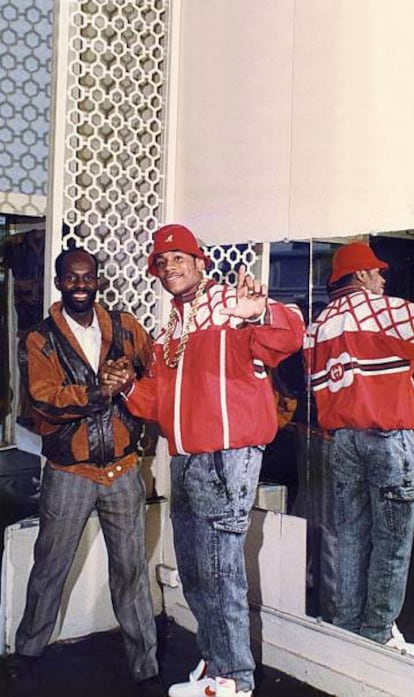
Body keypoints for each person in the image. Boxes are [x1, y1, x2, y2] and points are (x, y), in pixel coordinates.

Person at [101, 224, 305, 697]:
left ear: (200, 262)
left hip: (225, 454)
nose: (169, 267)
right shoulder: (171, 325)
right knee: (195, 570)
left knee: (220, 570)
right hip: (187, 456)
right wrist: (127, 386)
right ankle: (217, 663)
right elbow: (159, 403)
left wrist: (261, 311)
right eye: (162, 262)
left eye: (179, 258)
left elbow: (289, 335)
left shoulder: (230, 306)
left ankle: (234, 678)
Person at [2, 246, 165, 696]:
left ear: (98, 280)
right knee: (50, 566)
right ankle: (28, 651)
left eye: (87, 277)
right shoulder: (40, 338)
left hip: (123, 470)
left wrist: (130, 374)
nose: (80, 285)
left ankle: (145, 666)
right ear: (59, 282)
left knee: (131, 570)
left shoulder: (126, 327)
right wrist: (100, 390)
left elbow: (155, 372)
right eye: (71, 278)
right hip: (68, 471)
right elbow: (44, 397)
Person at [305, 241, 414, 652]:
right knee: (392, 541)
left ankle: (346, 627)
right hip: (388, 438)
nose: (384, 279)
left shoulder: (317, 328)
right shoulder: (391, 311)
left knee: (350, 536)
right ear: (362, 275)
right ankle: (379, 632)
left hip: (342, 442)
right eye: (378, 272)